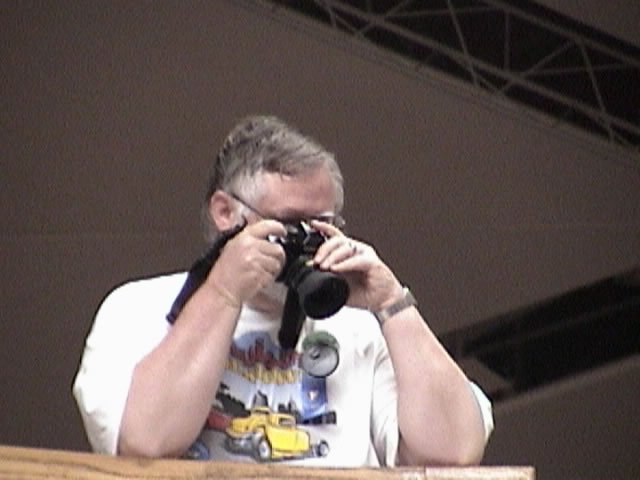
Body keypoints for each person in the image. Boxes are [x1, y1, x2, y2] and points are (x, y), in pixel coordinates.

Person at [73, 115, 493, 467]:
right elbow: (146, 444)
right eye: (291, 225)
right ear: (226, 213)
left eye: (322, 225)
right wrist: (224, 292)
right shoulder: (136, 309)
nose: (305, 243)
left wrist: (392, 303)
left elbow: (453, 455)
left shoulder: (363, 329)